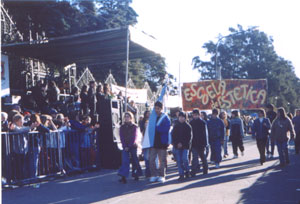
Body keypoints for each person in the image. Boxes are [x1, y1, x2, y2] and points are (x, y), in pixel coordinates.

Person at [149, 101, 171, 183]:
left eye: (158, 108)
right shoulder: (153, 117)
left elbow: (166, 128)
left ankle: (162, 175)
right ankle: (154, 175)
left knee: (162, 160)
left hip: (162, 142)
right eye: (155, 108)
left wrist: (156, 128)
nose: (156, 110)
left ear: (161, 109)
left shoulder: (165, 117)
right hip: (154, 142)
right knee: (151, 159)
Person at [118, 112, 142, 183]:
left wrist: (129, 146)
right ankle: (123, 176)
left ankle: (136, 174)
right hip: (125, 146)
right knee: (125, 160)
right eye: (125, 117)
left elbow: (134, 137)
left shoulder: (134, 126)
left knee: (135, 160)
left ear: (131, 118)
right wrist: (125, 146)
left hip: (133, 146)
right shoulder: (122, 127)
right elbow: (121, 137)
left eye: (128, 116)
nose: (126, 118)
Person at [171, 111, 192, 181]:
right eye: (180, 117)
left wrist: (182, 143)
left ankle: (187, 171)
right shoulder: (176, 126)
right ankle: (181, 174)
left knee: (185, 159)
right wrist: (176, 143)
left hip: (185, 146)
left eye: (183, 117)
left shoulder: (188, 126)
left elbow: (189, 137)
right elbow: (173, 136)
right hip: (177, 146)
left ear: (185, 118)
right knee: (179, 160)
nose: (181, 118)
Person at [189, 109, 208, 176]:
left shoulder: (202, 123)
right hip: (194, 143)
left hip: (201, 143)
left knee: (203, 157)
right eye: (193, 115)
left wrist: (205, 143)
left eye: (196, 115)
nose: (195, 116)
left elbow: (205, 134)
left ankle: (205, 169)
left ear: (199, 115)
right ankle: (193, 171)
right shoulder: (191, 123)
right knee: (195, 157)